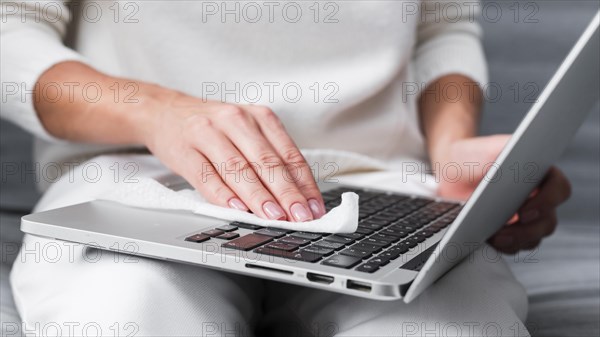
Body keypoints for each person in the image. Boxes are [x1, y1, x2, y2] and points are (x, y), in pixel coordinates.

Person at [1, 0, 571, 336]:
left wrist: (452, 150)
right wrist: (157, 111)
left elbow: (443, 25)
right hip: (138, 176)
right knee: (128, 312)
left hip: (379, 185)